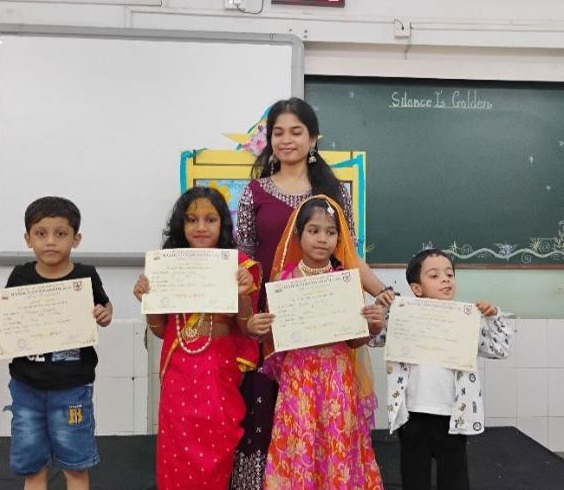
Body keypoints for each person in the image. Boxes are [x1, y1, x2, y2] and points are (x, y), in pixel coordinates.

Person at [232, 97, 393, 488]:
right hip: (269, 320)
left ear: (313, 138)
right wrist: (245, 317)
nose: (287, 140)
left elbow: (348, 255)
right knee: (266, 413)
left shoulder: (332, 191)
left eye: (296, 132)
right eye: (278, 133)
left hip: (325, 324)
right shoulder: (254, 192)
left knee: (321, 412)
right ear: (269, 140)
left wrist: (384, 292)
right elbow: (243, 259)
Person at [0, 196, 113, 490]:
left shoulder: (86, 275)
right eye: (41, 233)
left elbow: (105, 306)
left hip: (73, 388)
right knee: (32, 466)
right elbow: (3, 313)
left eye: (60, 233)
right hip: (26, 388)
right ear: (28, 239)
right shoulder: (20, 275)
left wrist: (104, 314)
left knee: (76, 466)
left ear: (76, 239)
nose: (50, 241)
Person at [132, 187, 262, 490]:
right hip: (178, 375)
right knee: (176, 452)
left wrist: (244, 293)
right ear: (181, 225)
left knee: (216, 452)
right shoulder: (167, 267)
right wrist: (148, 299)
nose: (201, 227)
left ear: (222, 224)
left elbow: (246, 329)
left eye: (210, 219)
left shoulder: (239, 267)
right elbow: (161, 331)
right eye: (192, 220)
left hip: (218, 375)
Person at [253, 196, 384, 489]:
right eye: (314, 231)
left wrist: (372, 327)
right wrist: (260, 329)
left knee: (337, 444)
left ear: (339, 238)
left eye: (330, 232)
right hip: (298, 380)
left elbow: (354, 341)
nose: (322, 239)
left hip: (337, 379)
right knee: (299, 444)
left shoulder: (345, 282)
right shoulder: (283, 280)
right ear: (298, 235)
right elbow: (274, 338)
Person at [370, 248, 511, 490]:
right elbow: (374, 338)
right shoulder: (402, 316)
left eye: (449, 274)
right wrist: (381, 311)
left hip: (452, 415)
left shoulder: (466, 319)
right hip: (412, 415)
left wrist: (493, 315)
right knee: (414, 479)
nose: (445, 279)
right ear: (417, 288)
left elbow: (500, 348)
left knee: (455, 479)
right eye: (434, 275)